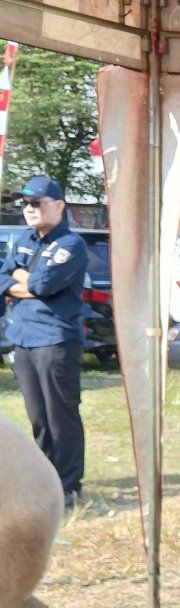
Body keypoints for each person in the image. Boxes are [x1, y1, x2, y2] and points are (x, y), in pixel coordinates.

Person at [0, 176, 89, 507]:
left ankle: (69, 486)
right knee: (37, 416)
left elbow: (43, 284)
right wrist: (24, 280)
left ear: (59, 206)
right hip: (24, 337)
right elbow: (3, 277)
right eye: (25, 204)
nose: (29, 209)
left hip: (55, 339)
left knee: (60, 417)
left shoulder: (71, 244)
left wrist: (21, 279)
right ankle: (45, 479)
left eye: (37, 203)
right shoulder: (23, 239)